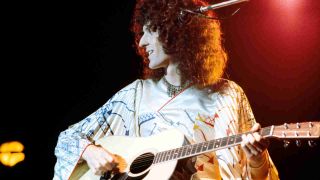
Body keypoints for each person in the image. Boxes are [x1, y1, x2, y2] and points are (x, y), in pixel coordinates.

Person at [53, 0, 279, 179]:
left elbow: (256, 175)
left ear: (175, 31)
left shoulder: (229, 96)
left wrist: (256, 159)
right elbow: (68, 138)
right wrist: (92, 153)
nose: (141, 43)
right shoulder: (134, 95)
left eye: (150, 31)